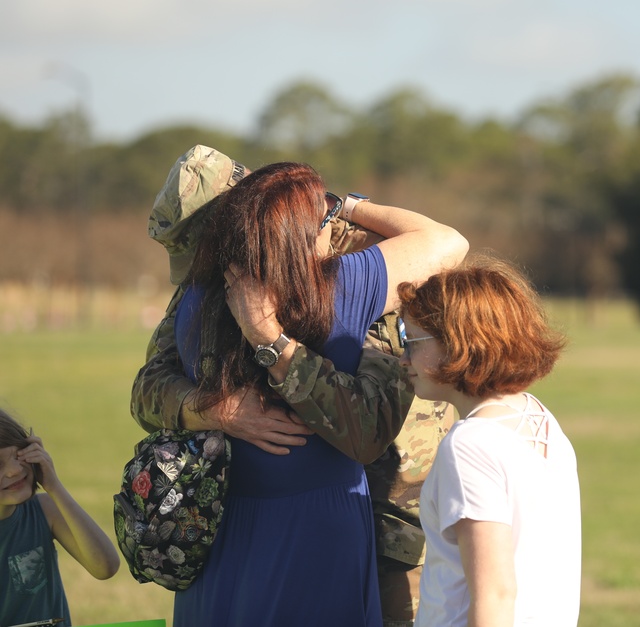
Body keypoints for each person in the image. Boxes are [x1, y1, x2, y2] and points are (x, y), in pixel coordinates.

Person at [132, 145, 458, 626]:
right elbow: (148, 388)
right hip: (268, 511)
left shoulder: (351, 257)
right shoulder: (206, 288)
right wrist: (213, 409)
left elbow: (367, 425)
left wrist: (340, 207)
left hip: (395, 511)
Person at [397, 255, 582, 627]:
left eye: (411, 340)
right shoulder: (538, 418)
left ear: (458, 343)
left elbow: (495, 596)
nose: (402, 358)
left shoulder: (470, 446)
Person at [0, 408, 120, 626]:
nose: (14, 471)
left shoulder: (45, 509)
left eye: (20, 455)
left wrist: (53, 485)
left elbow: (105, 567)